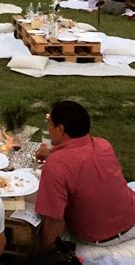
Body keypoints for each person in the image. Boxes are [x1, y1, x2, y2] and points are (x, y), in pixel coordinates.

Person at [35, 101, 134, 252]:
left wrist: (41, 254)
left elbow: (54, 221)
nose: (48, 129)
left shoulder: (56, 164)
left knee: (35, 217)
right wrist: (52, 155)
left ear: (60, 129)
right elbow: (82, 164)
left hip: (96, 240)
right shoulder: (103, 145)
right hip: (130, 221)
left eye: (49, 124)